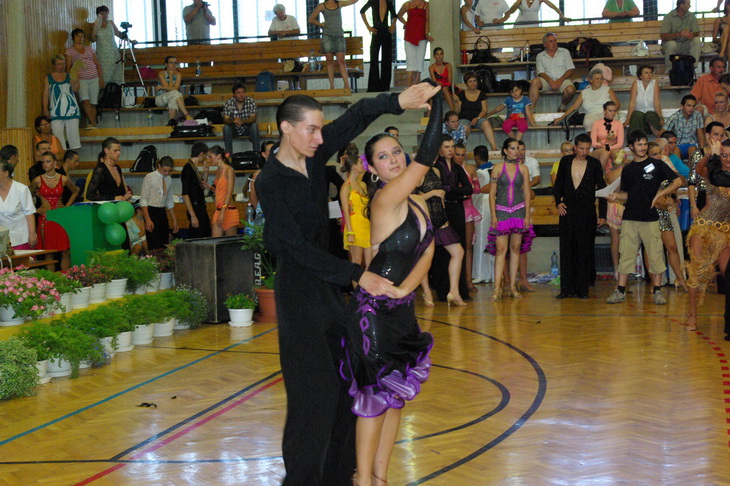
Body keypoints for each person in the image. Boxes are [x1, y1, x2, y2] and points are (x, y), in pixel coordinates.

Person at [255, 82, 440, 485]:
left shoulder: (314, 155)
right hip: (298, 293)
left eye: (320, 129)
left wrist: (399, 101)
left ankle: (342, 476)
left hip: (327, 289)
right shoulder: (270, 182)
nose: (320, 138)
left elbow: (357, 115)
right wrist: (357, 274)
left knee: (343, 387)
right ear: (287, 128)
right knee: (312, 395)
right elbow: (296, 248)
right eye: (311, 130)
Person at [344, 92, 441, 486]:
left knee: (395, 399)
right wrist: (438, 106)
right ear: (372, 168)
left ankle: (380, 479)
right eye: (384, 157)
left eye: (397, 151)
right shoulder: (386, 198)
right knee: (375, 400)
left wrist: (406, 291)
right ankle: (363, 480)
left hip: (399, 310)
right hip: (372, 315)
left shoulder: (416, 201)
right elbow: (428, 156)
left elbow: (428, 250)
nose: (395, 159)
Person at [606, 130, 681, 305]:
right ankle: (620, 290)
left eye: (645, 144)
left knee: (655, 254)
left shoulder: (657, 165)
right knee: (626, 254)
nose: (643, 147)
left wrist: (661, 193)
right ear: (631, 147)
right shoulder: (628, 169)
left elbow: (677, 181)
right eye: (639, 144)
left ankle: (657, 291)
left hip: (650, 218)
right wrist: (616, 197)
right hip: (630, 218)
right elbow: (627, 195)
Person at [553, 133, 607, 299]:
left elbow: (602, 189)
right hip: (567, 210)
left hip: (587, 211)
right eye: (581, 148)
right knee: (566, 249)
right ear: (575, 147)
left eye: (587, 149)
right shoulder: (565, 161)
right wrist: (558, 202)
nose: (584, 152)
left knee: (585, 249)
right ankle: (566, 289)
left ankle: (583, 289)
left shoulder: (594, 164)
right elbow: (558, 184)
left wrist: (602, 214)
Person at [685, 137, 730, 332]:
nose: (727, 159)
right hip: (704, 228)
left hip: (726, 231)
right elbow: (697, 169)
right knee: (698, 272)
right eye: (724, 155)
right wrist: (710, 155)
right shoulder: (712, 171)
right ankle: (692, 315)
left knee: (727, 273)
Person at [487, 138, 532, 300]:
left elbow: (527, 192)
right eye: (512, 148)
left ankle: (513, 286)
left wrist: (527, 215)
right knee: (500, 249)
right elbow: (492, 193)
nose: (516, 151)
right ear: (505, 151)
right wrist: (493, 215)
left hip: (519, 211)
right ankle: (497, 288)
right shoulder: (497, 168)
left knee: (515, 248)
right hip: (501, 211)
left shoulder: (523, 168)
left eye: (518, 148)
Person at [647, 142, 688, 291]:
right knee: (651, 249)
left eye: (659, 153)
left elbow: (678, 181)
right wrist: (657, 200)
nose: (659, 156)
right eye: (654, 154)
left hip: (664, 212)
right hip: (649, 212)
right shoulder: (646, 169)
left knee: (672, 246)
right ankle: (655, 282)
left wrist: (671, 196)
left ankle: (680, 279)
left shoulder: (664, 165)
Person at [436, 135, 472, 305]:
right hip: (442, 210)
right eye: (447, 147)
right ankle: (443, 290)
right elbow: (440, 189)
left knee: (460, 247)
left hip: (457, 209)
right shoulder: (436, 167)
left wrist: (452, 190)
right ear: (439, 149)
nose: (450, 150)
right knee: (442, 250)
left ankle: (460, 290)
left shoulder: (457, 167)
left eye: (452, 146)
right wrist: (456, 191)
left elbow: (469, 189)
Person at [29, 151, 79, 270]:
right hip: (45, 219)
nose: (45, 164)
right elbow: (26, 195)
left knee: (65, 251)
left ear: (55, 163)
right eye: (43, 162)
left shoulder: (63, 179)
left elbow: (76, 190)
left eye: (48, 161)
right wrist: (35, 209)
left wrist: (67, 206)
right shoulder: (37, 180)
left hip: (61, 218)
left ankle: (66, 278)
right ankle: (51, 280)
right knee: (49, 253)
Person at [309, 0, 358, 92]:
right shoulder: (322, 6)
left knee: (341, 61)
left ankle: (347, 85)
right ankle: (332, 86)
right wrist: (321, 24)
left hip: (339, 35)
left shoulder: (339, 3)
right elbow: (311, 19)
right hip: (327, 36)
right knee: (329, 61)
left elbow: (352, 1)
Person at [552, 68, 620, 133]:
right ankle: (593, 141)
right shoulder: (584, 92)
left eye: (601, 79)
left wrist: (610, 112)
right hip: (591, 114)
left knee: (610, 121)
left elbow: (617, 104)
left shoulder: (608, 90)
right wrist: (561, 118)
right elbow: (574, 107)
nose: (599, 80)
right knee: (587, 122)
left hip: (607, 113)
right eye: (597, 79)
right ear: (591, 80)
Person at [454, 142, 481, 293]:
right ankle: (457, 281)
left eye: (462, 155)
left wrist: (468, 186)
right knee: (454, 246)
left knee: (468, 246)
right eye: (457, 154)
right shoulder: (450, 169)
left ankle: (468, 280)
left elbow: (477, 189)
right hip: (455, 208)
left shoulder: (470, 169)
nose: (460, 157)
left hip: (468, 209)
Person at [340, 151, 372, 268]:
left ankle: (367, 281)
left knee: (370, 262)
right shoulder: (345, 187)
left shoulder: (363, 184)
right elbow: (345, 211)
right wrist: (350, 231)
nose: (363, 165)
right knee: (357, 261)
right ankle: (356, 281)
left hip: (366, 224)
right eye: (360, 163)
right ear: (354, 167)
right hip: (354, 226)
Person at [64, 28, 102, 129]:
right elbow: (68, 68)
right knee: (85, 101)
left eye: (82, 36)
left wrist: (101, 78)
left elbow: (97, 64)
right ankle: (93, 123)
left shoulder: (89, 49)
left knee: (93, 102)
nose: (80, 38)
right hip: (81, 79)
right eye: (78, 36)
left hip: (94, 78)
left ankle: (92, 124)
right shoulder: (70, 51)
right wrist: (73, 76)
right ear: (73, 37)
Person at [529, 32, 576, 111]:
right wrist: (550, 81)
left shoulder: (565, 52)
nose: (554, 43)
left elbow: (570, 69)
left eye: (555, 41)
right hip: (547, 81)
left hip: (563, 79)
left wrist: (560, 80)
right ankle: (531, 110)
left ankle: (562, 107)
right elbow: (540, 72)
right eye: (551, 41)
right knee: (535, 82)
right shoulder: (540, 56)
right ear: (545, 44)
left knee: (571, 90)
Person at [43, 54, 81, 151]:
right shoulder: (48, 77)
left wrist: (77, 79)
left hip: (71, 109)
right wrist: (45, 109)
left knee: (73, 136)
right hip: (55, 110)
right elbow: (46, 94)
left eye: (63, 64)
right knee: (57, 136)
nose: (61, 66)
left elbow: (75, 89)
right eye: (59, 64)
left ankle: (73, 157)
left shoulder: (69, 75)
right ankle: (62, 156)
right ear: (54, 65)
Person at [140, 156, 178, 250]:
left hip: (162, 212)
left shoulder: (169, 179)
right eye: (165, 170)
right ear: (159, 166)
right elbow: (143, 200)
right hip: (151, 211)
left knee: (164, 243)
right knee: (154, 243)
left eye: (169, 171)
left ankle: (163, 259)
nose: (167, 173)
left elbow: (169, 200)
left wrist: (174, 220)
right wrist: (147, 219)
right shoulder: (149, 177)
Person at [361, 0, 397, 92]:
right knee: (374, 59)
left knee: (387, 59)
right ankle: (373, 87)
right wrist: (368, 27)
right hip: (376, 31)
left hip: (386, 32)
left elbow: (394, 15)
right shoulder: (373, 1)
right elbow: (362, 11)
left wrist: (393, 25)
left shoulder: (388, 2)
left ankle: (385, 86)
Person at [456, 71, 498, 150]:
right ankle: (460, 149)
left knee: (486, 123)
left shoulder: (482, 94)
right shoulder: (461, 94)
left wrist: (477, 118)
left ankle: (494, 148)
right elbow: (457, 111)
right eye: (470, 81)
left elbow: (484, 110)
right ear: (466, 83)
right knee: (465, 127)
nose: (473, 83)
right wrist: (456, 101)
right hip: (464, 118)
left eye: (474, 80)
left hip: (478, 118)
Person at [0, 161, 37, 250]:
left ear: (6, 173)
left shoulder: (21, 189)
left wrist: (32, 233)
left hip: (21, 238)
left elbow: (29, 213)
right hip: (2, 238)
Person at [397, 0, 434, 87]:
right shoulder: (407, 4)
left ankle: (417, 82)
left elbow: (427, 20)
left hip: (421, 35)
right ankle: (409, 85)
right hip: (409, 35)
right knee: (410, 60)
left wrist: (426, 33)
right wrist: (406, 23)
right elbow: (399, 15)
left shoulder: (426, 4)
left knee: (420, 60)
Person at [472, 145, 495, 284]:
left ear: (476, 157)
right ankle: (492, 273)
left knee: (481, 238)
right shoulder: (494, 168)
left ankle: (481, 273)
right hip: (493, 204)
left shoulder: (480, 172)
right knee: (491, 238)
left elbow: (476, 192)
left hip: (482, 204)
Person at [181, 142, 212, 239]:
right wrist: (193, 215)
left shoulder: (194, 168)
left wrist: (206, 172)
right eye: (206, 156)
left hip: (200, 207)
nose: (206, 158)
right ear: (201, 154)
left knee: (206, 234)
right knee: (198, 236)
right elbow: (185, 194)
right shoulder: (188, 169)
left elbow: (202, 187)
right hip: (195, 209)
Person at [86, 137, 133, 201]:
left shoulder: (118, 168)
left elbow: (120, 192)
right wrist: (113, 198)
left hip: (120, 205)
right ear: (106, 150)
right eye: (115, 150)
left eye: (119, 150)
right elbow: (90, 195)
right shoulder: (100, 169)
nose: (119, 153)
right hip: (107, 206)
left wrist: (125, 196)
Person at [89, 5, 126, 86]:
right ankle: (104, 93)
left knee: (116, 78)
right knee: (104, 76)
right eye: (102, 14)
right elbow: (92, 40)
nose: (105, 16)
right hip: (102, 55)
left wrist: (130, 40)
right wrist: (92, 30)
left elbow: (118, 34)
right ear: (98, 14)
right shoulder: (95, 25)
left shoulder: (111, 23)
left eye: (106, 14)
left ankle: (116, 92)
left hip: (113, 53)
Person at [660, 94, 705, 161]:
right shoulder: (674, 117)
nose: (691, 108)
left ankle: (692, 168)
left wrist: (703, 152)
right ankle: (678, 167)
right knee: (675, 150)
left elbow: (700, 135)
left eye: (693, 106)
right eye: (688, 105)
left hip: (692, 145)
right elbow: (661, 134)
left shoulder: (697, 115)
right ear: (682, 106)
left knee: (693, 150)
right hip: (678, 145)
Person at [660, 0, 701, 72]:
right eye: (688, 4)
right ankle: (670, 70)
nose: (690, 6)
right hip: (672, 45)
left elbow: (697, 32)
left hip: (686, 45)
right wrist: (679, 34)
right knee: (671, 44)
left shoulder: (691, 16)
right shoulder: (668, 17)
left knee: (696, 40)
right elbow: (663, 36)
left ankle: (692, 68)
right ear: (681, 5)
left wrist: (692, 35)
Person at [624, 64, 664, 137]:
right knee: (637, 115)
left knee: (651, 115)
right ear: (640, 76)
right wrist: (628, 119)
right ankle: (635, 139)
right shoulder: (636, 83)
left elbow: (656, 101)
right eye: (646, 73)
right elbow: (632, 102)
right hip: (638, 110)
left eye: (650, 72)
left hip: (651, 110)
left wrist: (661, 117)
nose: (649, 75)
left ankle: (660, 137)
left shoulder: (654, 83)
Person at [209, 145, 238, 237]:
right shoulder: (218, 170)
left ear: (218, 156)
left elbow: (229, 193)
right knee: (215, 240)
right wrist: (210, 187)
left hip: (228, 210)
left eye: (210, 157)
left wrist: (222, 212)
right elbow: (220, 190)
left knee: (230, 242)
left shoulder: (229, 170)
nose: (209, 159)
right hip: (219, 209)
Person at [156, 56, 194, 126]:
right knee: (175, 93)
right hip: (161, 99)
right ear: (166, 64)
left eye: (175, 63)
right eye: (171, 63)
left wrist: (162, 87)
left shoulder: (178, 74)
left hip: (172, 96)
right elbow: (169, 89)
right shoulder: (161, 74)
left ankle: (171, 121)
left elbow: (174, 88)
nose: (173, 65)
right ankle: (187, 115)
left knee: (174, 97)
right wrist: (170, 75)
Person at [223, 82, 259, 154]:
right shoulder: (228, 102)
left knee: (254, 126)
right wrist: (234, 120)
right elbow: (225, 119)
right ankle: (229, 155)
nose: (241, 95)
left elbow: (253, 118)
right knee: (226, 128)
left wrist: (242, 121)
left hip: (247, 128)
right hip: (234, 128)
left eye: (243, 92)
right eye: (238, 93)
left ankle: (257, 153)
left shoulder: (251, 101)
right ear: (234, 95)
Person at [591, 101, 625, 170]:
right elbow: (593, 143)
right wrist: (604, 147)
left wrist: (608, 147)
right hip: (599, 149)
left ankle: (618, 175)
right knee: (605, 153)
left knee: (619, 154)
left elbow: (620, 144)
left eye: (614, 111)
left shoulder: (619, 124)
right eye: (610, 110)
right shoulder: (596, 123)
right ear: (604, 111)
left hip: (612, 148)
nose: (613, 113)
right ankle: (600, 174)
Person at [495, 0, 571, 25]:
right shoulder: (520, 0)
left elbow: (553, 7)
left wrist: (562, 16)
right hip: (520, 24)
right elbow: (511, 12)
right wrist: (515, 5)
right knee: (518, 49)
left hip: (534, 24)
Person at [429, 47, 455, 111]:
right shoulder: (431, 67)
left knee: (444, 88)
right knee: (432, 92)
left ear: (443, 55)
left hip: (447, 86)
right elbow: (434, 82)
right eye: (437, 54)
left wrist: (442, 84)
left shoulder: (448, 65)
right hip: (437, 87)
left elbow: (450, 81)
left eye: (441, 54)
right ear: (434, 56)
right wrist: (438, 84)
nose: (439, 56)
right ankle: (429, 115)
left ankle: (452, 110)